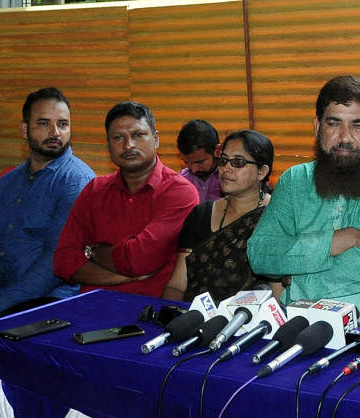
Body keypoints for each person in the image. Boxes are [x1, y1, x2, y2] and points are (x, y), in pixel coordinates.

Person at [247, 76, 360, 327]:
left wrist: (297, 278)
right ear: (317, 126)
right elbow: (260, 254)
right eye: (334, 123)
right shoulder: (294, 180)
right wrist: (334, 241)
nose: (345, 137)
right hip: (299, 325)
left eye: (358, 125)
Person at [0, 87, 95, 335]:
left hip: (45, 301)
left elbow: (55, 261)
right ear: (24, 129)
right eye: (44, 123)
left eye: (63, 124)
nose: (55, 132)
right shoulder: (6, 183)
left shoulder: (77, 181)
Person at [52, 101, 198, 297]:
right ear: (108, 145)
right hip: (90, 306)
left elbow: (139, 259)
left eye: (138, 135)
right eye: (118, 137)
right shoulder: (95, 190)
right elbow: (63, 261)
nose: (128, 145)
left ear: (156, 139)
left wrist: (92, 252)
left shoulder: (179, 192)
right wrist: (123, 278)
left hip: (148, 311)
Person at [164, 129, 273, 303]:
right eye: (223, 161)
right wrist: (172, 313)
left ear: (262, 172)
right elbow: (177, 285)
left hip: (245, 321)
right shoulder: (200, 215)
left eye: (238, 162)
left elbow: (276, 292)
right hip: (193, 316)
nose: (226, 168)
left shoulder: (276, 218)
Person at [177, 119, 223, 202]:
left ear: (217, 151)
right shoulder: (180, 182)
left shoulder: (231, 179)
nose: (194, 170)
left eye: (200, 162)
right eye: (186, 162)